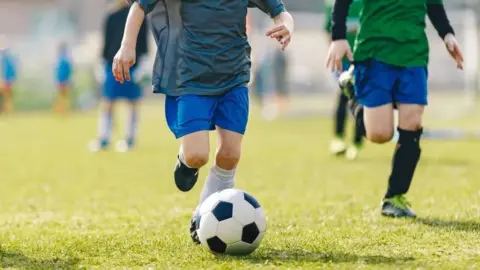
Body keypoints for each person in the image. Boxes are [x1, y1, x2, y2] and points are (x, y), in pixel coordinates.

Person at [114, 0, 293, 242]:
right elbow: (139, 6)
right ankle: (185, 160)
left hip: (235, 78)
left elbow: (280, 13)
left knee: (230, 155)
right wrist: (127, 46)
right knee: (197, 156)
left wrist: (286, 27)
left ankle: (203, 216)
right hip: (192, 79)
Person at [326, 0, 463, 217]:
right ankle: (352, 92)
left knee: (414, 121)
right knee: (380, 134)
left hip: (413, 55)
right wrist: (339, 37)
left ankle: (394, 198)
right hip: (375, 53)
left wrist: (447, 34)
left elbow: (434, 4)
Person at [89, 0, 148, 153]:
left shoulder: (140, 13)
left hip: (132, 65)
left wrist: (142, 66)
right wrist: (101, 65)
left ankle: (130, 138)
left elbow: (144, 44)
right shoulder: (111, 16)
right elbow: (105, 44)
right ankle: (104, 138)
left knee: (133, 103)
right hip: (111, 65)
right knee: (108, 103)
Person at [324, 0, 363, 160]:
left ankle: (356, 142)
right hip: (345, 61)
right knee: (344, 95)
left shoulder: (366, 4)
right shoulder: (336, 5)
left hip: (364, 58)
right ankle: (338, 138)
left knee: (362, 99)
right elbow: (329, 30)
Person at [54, 43, 73, 114]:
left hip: (64, 80)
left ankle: (63, 111)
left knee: (63, 96)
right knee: (62, 96)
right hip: (62, 80)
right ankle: (61, 111)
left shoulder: (63, 59)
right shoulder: (63, 59)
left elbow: (68, 70)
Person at [0, 38, 17, 114]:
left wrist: (11, 79)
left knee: (7, 97)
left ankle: (7, 111)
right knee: (5, 97)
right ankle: (5, 111)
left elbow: (12, 71)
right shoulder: (4, 58)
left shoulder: (8, 59)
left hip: (7, 80)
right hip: (3, 80)